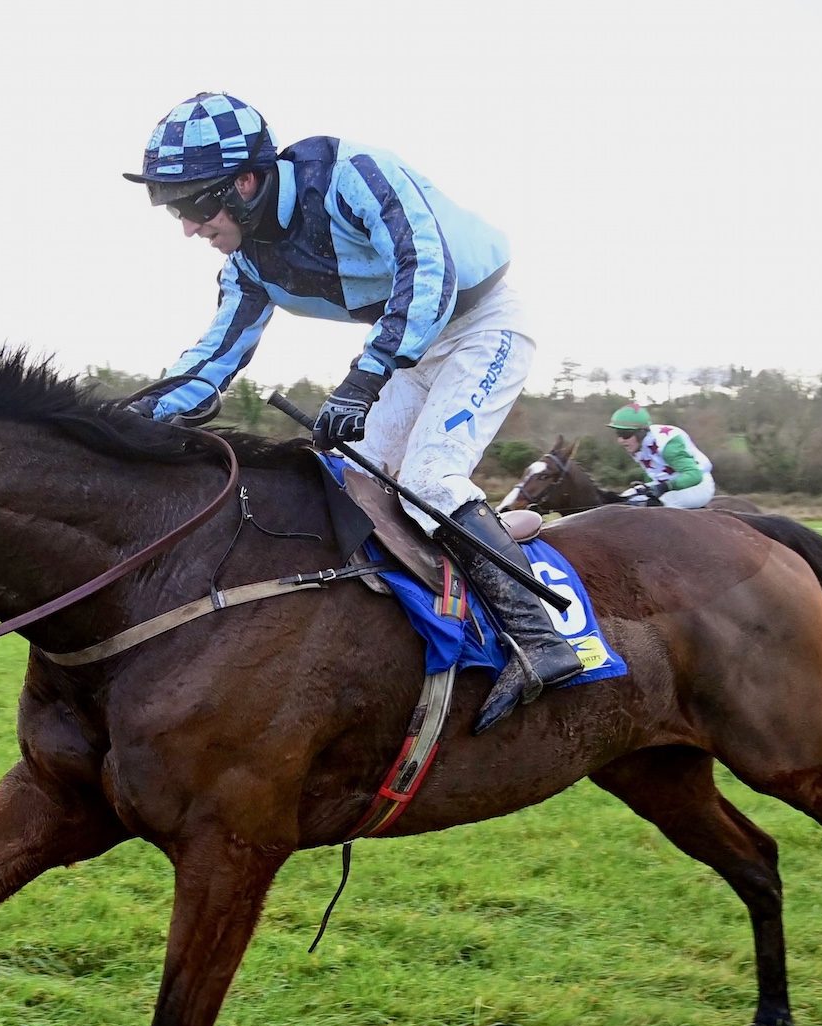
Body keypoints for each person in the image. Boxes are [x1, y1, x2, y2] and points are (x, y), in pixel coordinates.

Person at [122, 91, 579, 733]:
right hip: (411, 352)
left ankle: (541, 640)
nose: (189, 228)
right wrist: (133, 417)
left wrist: (362, 381)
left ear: (246, 182)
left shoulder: (351, 176)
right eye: (173, 210)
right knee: (341, 477)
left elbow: (429, 274)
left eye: (194, 206)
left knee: (427, 482)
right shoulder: (248, 259)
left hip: (482, 324)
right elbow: (215, 357)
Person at [608, 404, 716, 508]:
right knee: (625, 497)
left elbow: (694, 475)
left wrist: (665, 487)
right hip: (668, 484)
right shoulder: (638, 444)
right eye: (618, 434)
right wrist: (649, 485)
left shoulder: (668, 446)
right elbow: (653, 471)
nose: (621, 440)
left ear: (641, 432)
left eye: (625, 434)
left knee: (651, 505)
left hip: (697, 486)